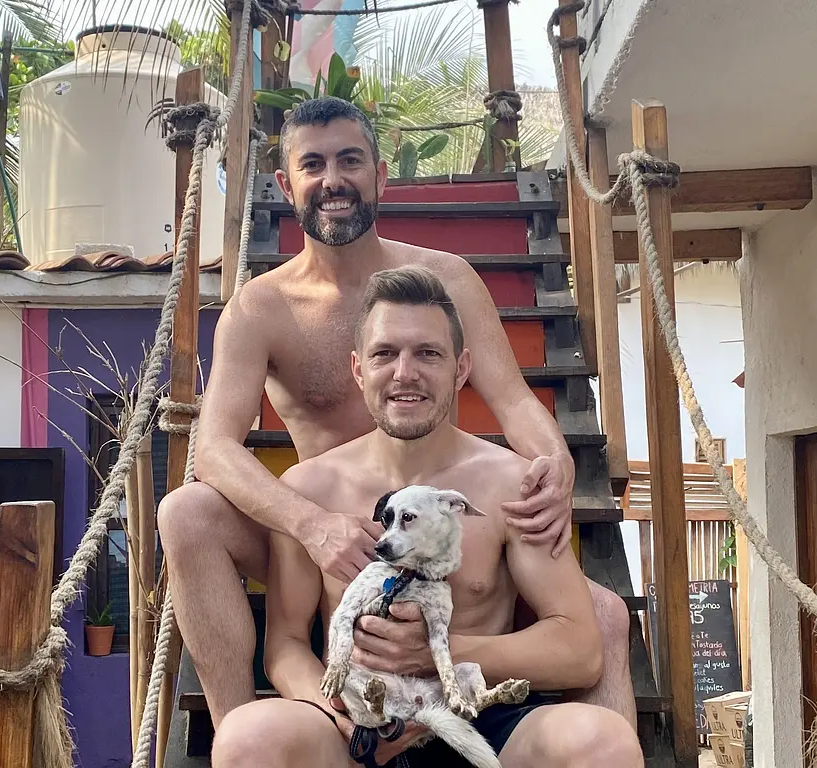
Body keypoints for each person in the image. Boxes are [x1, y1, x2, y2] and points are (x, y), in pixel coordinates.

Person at [157, 95, 634, 729]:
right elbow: (213, 449)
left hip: (445, 538)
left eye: (350, 160)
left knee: (602, 618)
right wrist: (311, 524)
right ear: (286, 183)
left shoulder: (448, 280)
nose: (334, 181)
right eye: (315, 164)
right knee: (185, 512)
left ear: (380, 176)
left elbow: (514, 399)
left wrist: (555, 464)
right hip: (329, 545)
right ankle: (243, 733)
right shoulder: (261, 308)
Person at [210, 265, 644, 768]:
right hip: (362, 724)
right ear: (358, 369)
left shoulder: (510, 484)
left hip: (480, 717)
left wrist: (442, 651)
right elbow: (284, 646)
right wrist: (339, 715)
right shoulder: (310, 491)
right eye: (385, 354)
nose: (405, 373)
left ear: (461, 369)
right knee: (246, 736)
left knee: (602, 741)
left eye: (428, 354)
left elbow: (580, 649)